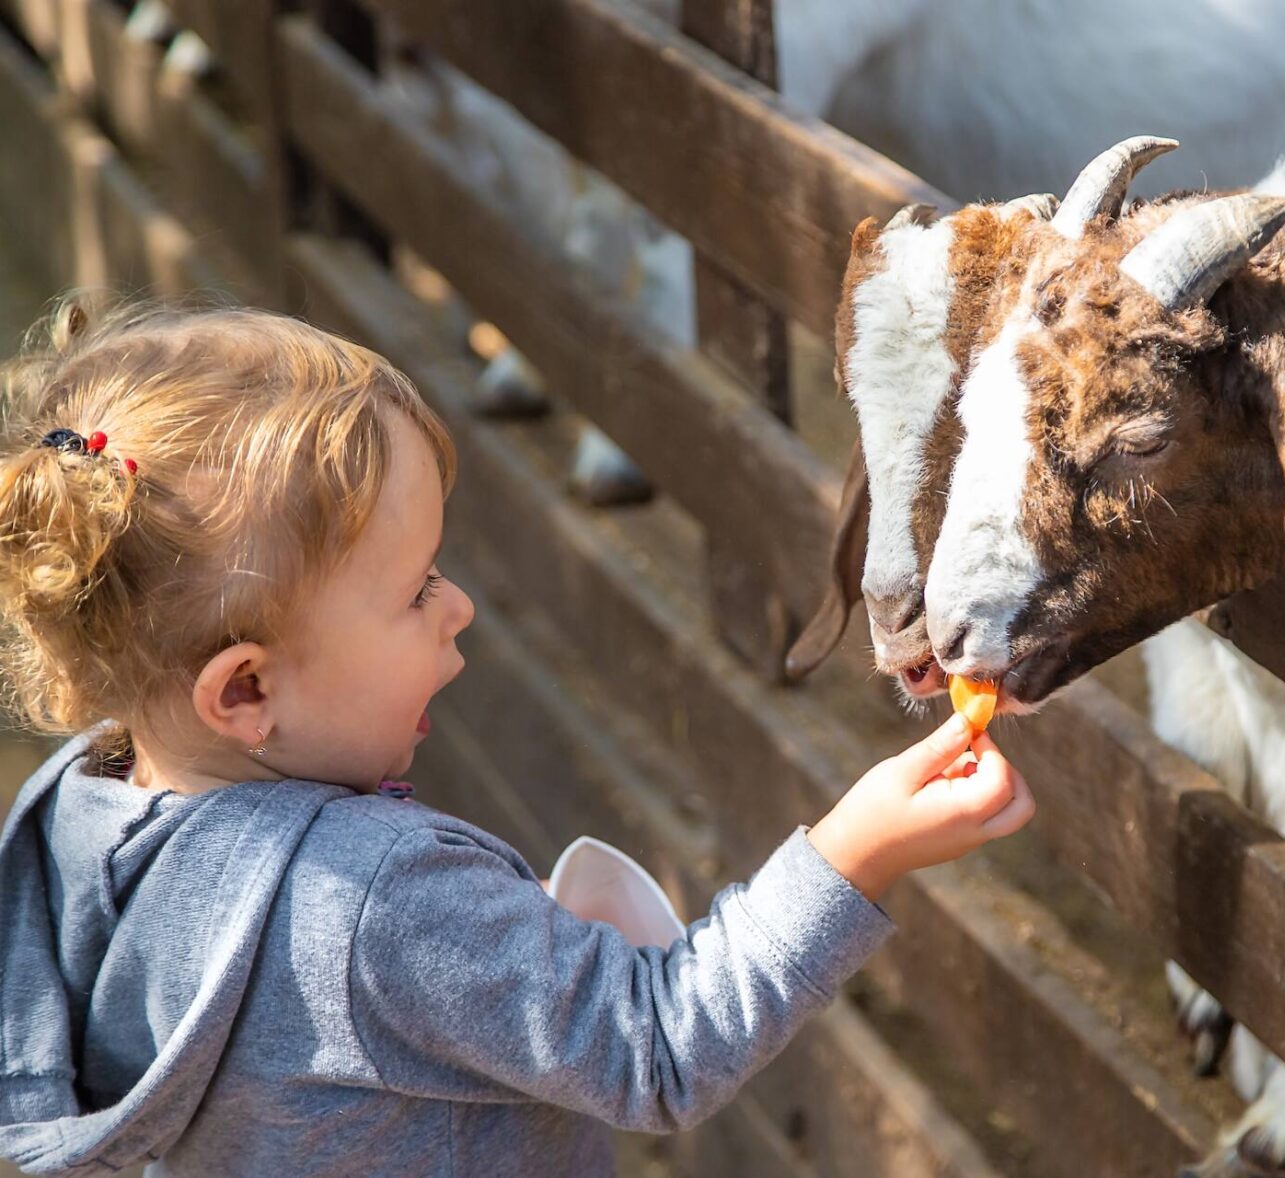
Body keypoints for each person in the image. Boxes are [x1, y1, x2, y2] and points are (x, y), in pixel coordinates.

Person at [0, 299, 1034, 1176]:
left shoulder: (77, 816)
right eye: (416, 590)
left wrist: (491, 945)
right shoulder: (381, 901)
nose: (459, 607)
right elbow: (660, 1044)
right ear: (246, 689)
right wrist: (858, 851)